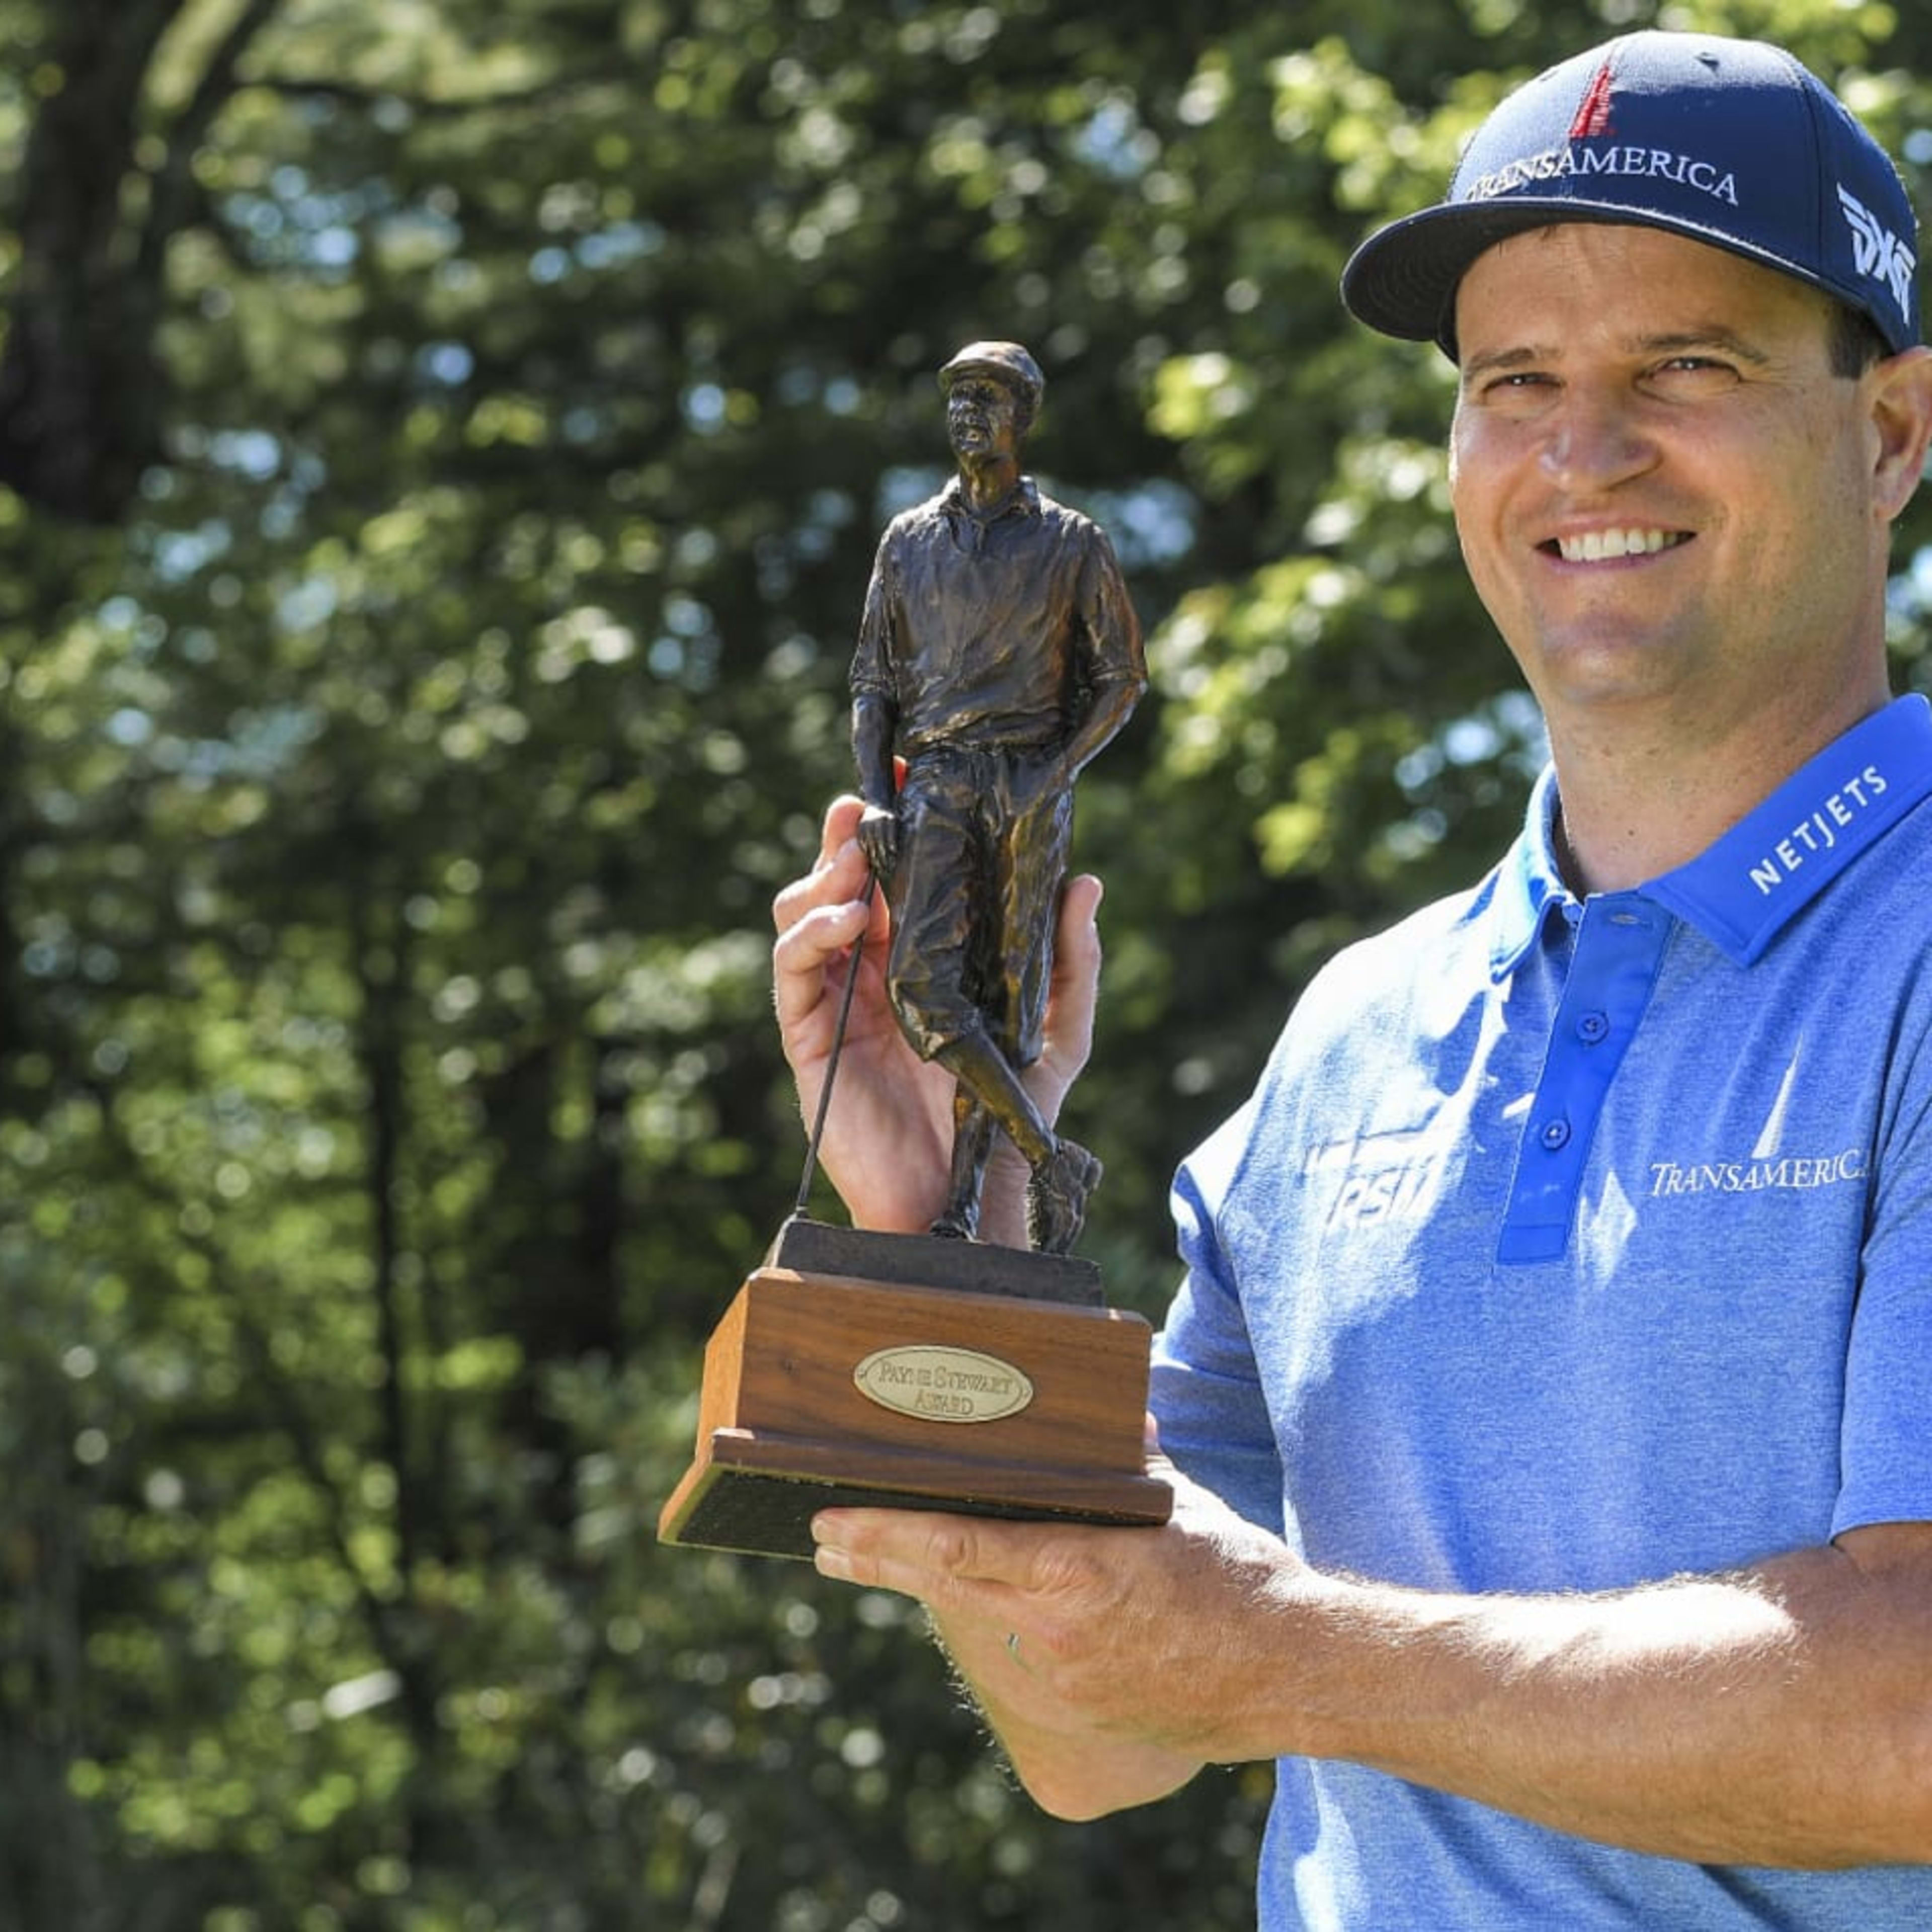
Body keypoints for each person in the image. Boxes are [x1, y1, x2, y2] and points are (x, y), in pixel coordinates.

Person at [772, 30, 1932, 1930]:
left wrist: (1280, 1656)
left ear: (1888, 434)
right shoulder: (1356, 1038)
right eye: (1516, 383)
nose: (1586, 451)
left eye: (1686, 368)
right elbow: (1103, 1741)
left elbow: (1913, 1720)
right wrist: (967, 1222)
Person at [846, 340, 1145, 1253]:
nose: (970, 414)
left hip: (1027, 781)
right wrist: (874, 801)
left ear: (1025, 415)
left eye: (989, 398)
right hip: (933, 780)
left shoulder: (1072, 542)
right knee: (926, 986)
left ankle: (963, 1208)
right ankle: (1051, 1156)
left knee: (1011, 997)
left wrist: (1052, 773)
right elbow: (873, 685)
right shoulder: (908, 542)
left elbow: (1123, 677)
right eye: (958, 399)